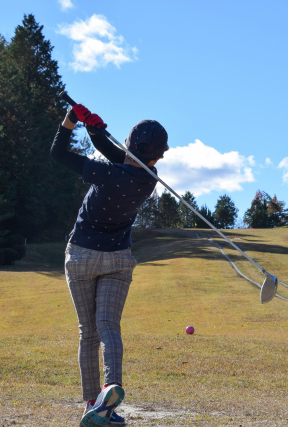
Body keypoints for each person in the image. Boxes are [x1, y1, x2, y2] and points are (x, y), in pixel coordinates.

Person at [51, 103, 169, 426]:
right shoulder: (149, 179)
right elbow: (123, 158)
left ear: (130, 144)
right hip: (119, 259)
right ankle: (110, 390)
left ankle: (93, 402)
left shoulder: (106, 174)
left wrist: (71, 121)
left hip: (82, 256)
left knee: (88, 333)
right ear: (158, 155)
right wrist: (95, 132)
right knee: (109, 327)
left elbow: (58, 155)